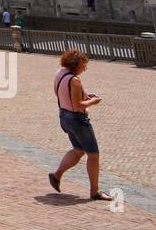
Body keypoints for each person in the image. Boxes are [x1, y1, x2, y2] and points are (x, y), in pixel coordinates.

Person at [47, 49, 112, 201]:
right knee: (93, 155)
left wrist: (84, 96)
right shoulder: (75, 81)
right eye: (84, 65)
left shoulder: (60, 73)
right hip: (77, 119)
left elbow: (61, 93)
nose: (85, 68)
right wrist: (92, 101)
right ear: (76, 64)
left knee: (78, 150)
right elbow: (78, 105)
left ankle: (56, 176)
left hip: (64, 116)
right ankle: (94, 192)